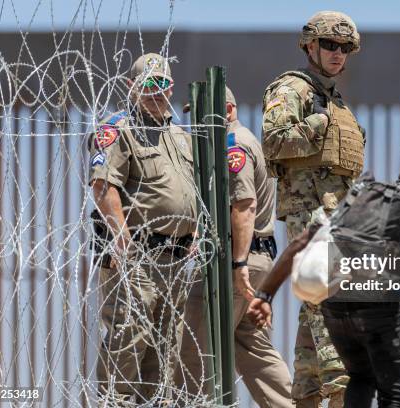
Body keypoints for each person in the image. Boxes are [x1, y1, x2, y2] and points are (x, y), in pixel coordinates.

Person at [248, 140, 400, 408]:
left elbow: (302, 242)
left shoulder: (363, 196)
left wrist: (265, 294)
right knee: (394, 393)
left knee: (360, 379)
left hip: (336, 305)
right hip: (381, 307)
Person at [260, 10, 364, 408]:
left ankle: (306, 399)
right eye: (330, 45)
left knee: (312, 338)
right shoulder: (293, 89)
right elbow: (274, 142)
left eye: (344, 48)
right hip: (311, 219)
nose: (338, 54)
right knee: (337, 327)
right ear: (309, 46)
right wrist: (318, 124)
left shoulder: (335, 101)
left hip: (337, 222)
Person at [175, 87, 293, 407]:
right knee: (253, 349)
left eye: (202, 115)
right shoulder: (239, 142)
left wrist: (239, 264)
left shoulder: (234, 145)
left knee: (193, 348)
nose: (196, 123)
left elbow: (244, 205)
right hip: (255, 257)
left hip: (237, 262)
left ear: (227, 111)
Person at [90, 52, 197, 405]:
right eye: (148, 85)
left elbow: (188, 191)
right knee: (127, 345)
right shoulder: (118, 129)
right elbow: (104, 185)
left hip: (175, 259)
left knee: (163, 352)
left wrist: (192, 230)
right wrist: (122, 238)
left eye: (162, 84)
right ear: (131, 87)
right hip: (138, 258)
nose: (156, 92)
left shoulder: (179, 135)